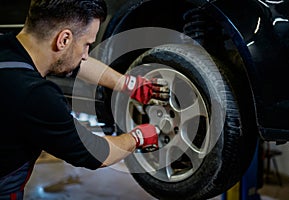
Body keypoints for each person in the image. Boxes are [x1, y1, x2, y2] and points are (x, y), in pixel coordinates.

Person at [0, 0, 169, 199]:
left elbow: (77, 63)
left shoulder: (7, 47)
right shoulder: (35, 96)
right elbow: (95, 153)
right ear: (63, 39)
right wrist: (137, 137)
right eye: (87, 44)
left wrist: (127, 84)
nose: (87, 55)